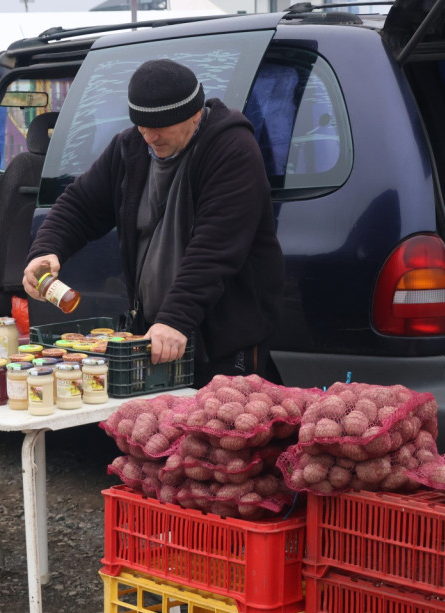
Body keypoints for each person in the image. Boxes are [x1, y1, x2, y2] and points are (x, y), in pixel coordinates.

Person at [22, 58, 284, 384]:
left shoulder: (233, 150)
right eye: (143, 127)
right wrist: (47, 249)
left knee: (227, 429)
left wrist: (175, 319)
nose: (150, 138)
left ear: (195, 114)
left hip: (225, 343)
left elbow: (215, 249)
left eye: (160, 127)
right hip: (156, 336)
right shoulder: (129, 147)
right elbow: (80, 204)